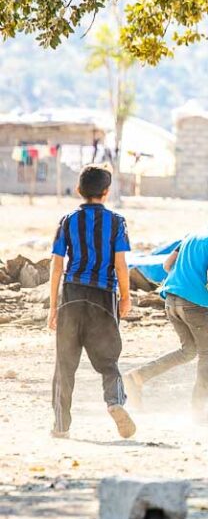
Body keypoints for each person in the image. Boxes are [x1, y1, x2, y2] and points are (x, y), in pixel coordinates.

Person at [124, 196, 208, 424]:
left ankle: (137, 377)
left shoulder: (193, 235)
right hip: (194, 306)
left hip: (171, 301)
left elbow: (167, 265)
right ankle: (198, 412)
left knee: (188, 351)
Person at [48, 164, 135, 439]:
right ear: (106, 192)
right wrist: (125, 297)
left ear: (78, 190)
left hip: (71, 295)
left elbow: (56, 265)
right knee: (108, 360)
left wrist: (53, 307)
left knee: (65, 363)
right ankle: (114, 403)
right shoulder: (117, 222)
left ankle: (61, 426)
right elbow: (121, 265)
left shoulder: (67, 220)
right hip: (103, 296)